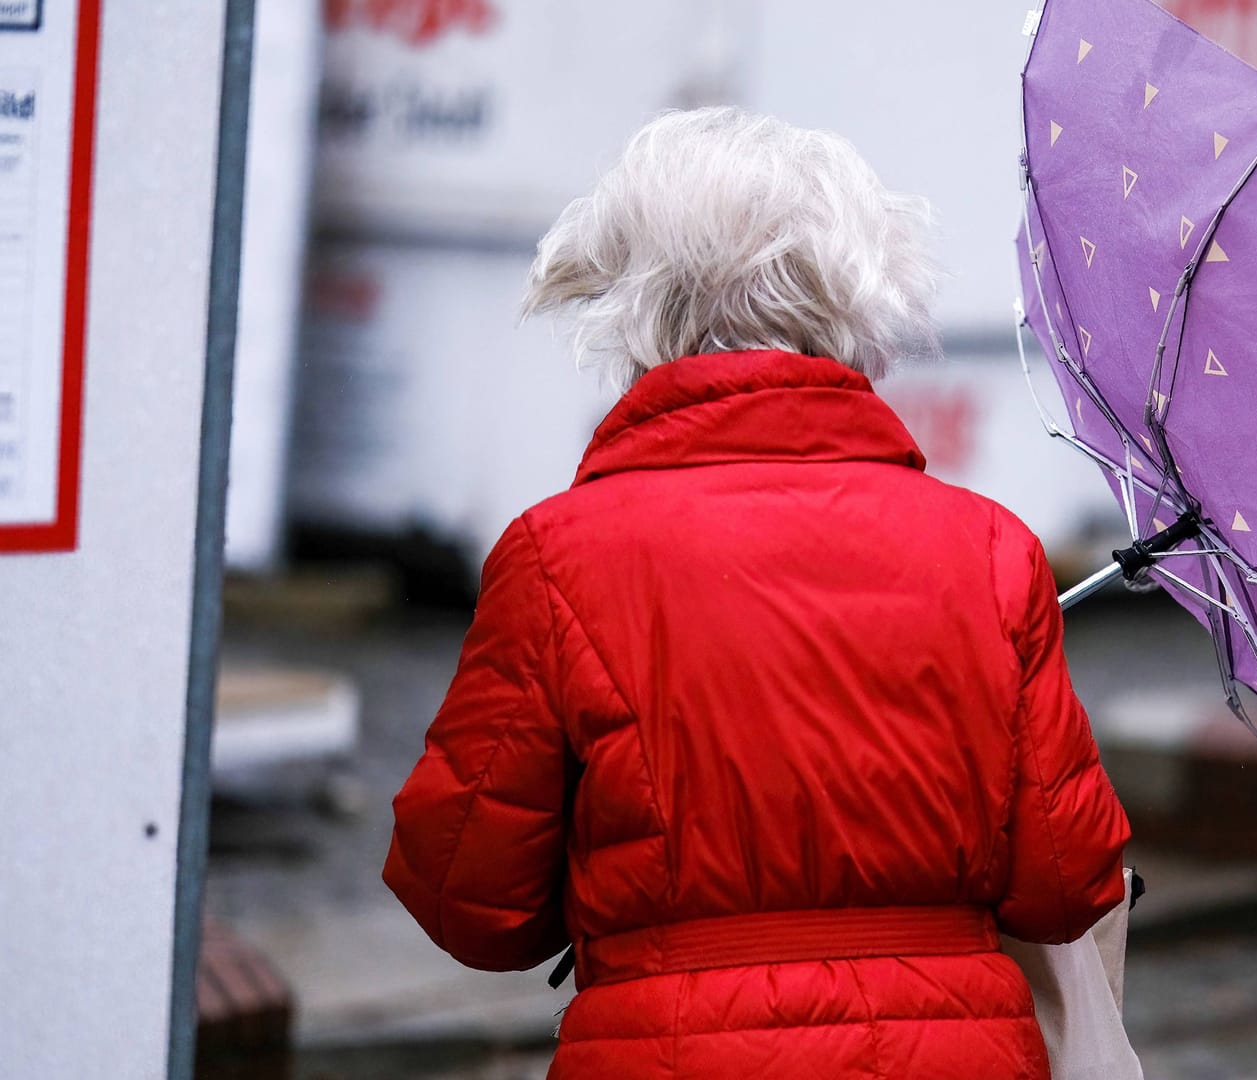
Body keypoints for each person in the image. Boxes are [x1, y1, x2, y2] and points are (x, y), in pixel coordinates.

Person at [383, 107, 1132, 1079]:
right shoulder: (988, 551)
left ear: (636, 300)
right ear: (864, 299)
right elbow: (1070, 882)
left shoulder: (558, 558)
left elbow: (464, 895)